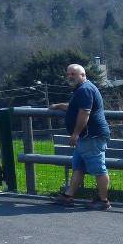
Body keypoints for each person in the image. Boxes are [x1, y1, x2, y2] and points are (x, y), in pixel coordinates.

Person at [50, 64, 112, 210]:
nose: (70, 76)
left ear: (83, 75)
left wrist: (75, 134)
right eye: (68, 74)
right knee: (78, 167)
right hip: (85, 138)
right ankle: (68, 196)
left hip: (91, 136)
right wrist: (58, 105)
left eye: (74, 74)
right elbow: (73, 107)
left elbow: (85, 113)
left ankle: (103, 201)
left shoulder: (85, 90)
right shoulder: (82, 89)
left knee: (98, 169)